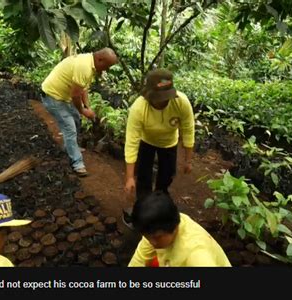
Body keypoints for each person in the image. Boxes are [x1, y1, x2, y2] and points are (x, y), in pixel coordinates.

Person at [123, 68, 195, 226]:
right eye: (158, 98)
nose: (162, 101)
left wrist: (188, 160)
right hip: (146, 142)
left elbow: (188, 130)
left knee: (166, 177)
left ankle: (160, 206)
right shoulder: (139, 108)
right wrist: (129, 177)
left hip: (169, 143)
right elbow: (131, 142)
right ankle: (144, 210)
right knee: (143, 178)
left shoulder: (181, 102)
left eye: (165, 97)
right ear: (149, 94)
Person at [40, 48, 118, 177]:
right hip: (52, 97)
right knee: (70, 129)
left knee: (76, 119)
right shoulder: (84, 67)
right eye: (107, 66)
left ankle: (70, 147)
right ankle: (77, 164)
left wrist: (87, 106)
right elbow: (75, 95)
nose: (107, 69)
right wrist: (83, 110)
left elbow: (83, 88)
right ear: (100, 59)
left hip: (63, 97)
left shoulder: (89, 62)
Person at [128, 191, 231, 267]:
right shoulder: (157, 228)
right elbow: (138, 262)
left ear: (175, 227)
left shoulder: (197, 256)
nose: (151, 242)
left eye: (157, 238)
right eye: (146, 236)